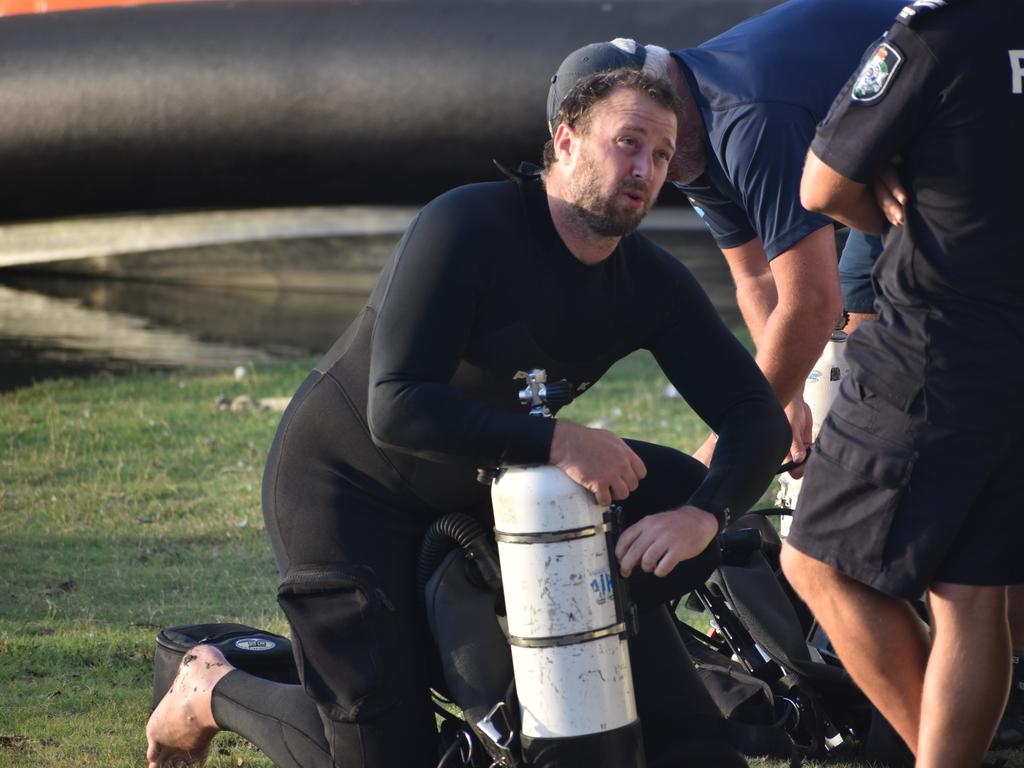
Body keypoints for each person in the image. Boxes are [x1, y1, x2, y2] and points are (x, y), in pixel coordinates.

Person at [145, 68, 790, 768]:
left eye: (662, 155)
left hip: (472, 488)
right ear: (565, 143)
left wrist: (706, 515)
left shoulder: (650, 282)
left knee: (666, 491)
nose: (643, 169)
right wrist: (559, 439)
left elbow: (757, 415)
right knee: (384, 754)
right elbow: (395, 404)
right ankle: (210, 687)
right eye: (627, 143)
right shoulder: (468, 225)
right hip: (346, 489)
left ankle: (598, 689)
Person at [778, 1, 1024, 766]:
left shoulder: (937, 33)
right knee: (973, 596)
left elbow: (821, 188)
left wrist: (891, 196)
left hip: (934, 345)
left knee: (815, 563)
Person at [549, 0, 906, 480]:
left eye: (642, 142)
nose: (640, 168)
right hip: (891, 148)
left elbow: (812, 302)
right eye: (627, 144)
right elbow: (756, 274)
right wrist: (787, 397)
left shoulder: (745, 121)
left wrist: (719, 451)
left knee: (876, 352)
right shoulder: (679, 135)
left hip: (956, 112)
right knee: (844, 356)